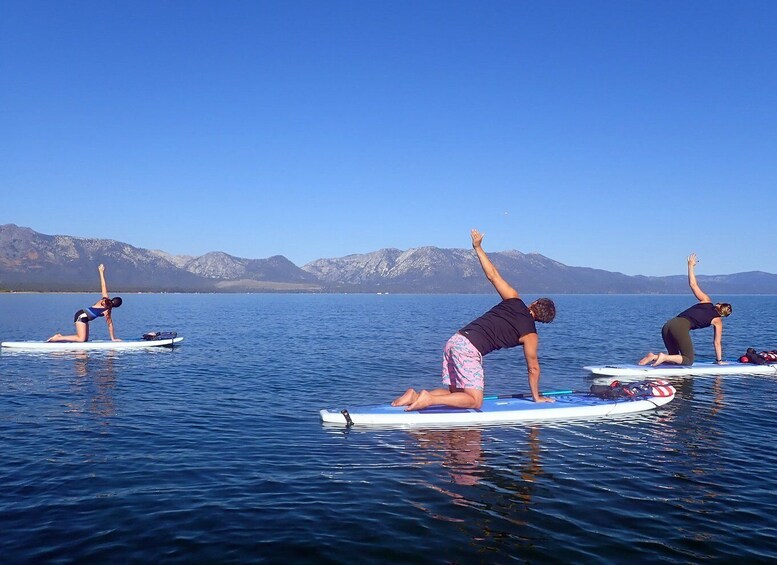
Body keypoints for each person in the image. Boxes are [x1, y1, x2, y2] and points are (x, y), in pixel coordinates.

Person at [392, 229, 556, 411]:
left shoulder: (513, 299)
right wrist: (537, 397)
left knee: (458, 395)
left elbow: (492, 275)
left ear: (533, 303)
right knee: (475, 401)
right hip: (469, 350)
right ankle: (428, 399)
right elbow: (533, 368)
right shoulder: (531, 335)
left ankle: (413, 396)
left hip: (455, 340)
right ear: (542, 321)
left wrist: (477, 247)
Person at [638, 253, 731, 367]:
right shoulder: (718, 321)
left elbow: (693, 284)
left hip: (669, 325)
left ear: (719, 305)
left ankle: (654, 358)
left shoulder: (706, 300)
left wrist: (690, 266)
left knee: (674, 359)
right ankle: (659, 356)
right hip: (680, 327)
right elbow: (717, 343)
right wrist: (719, 361)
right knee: (688, 360)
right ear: (724, 315)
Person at [48, 264, 123, 342]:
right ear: (116, 307)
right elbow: (110, 325)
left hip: (84, 316)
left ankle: (61, 338)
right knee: (81, 339)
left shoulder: (105, 299)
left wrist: (101, 272)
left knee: (84, 340)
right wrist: (113, 338)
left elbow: (103, 285)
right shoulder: (107, 310)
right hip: (81, 315)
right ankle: (58, 337)